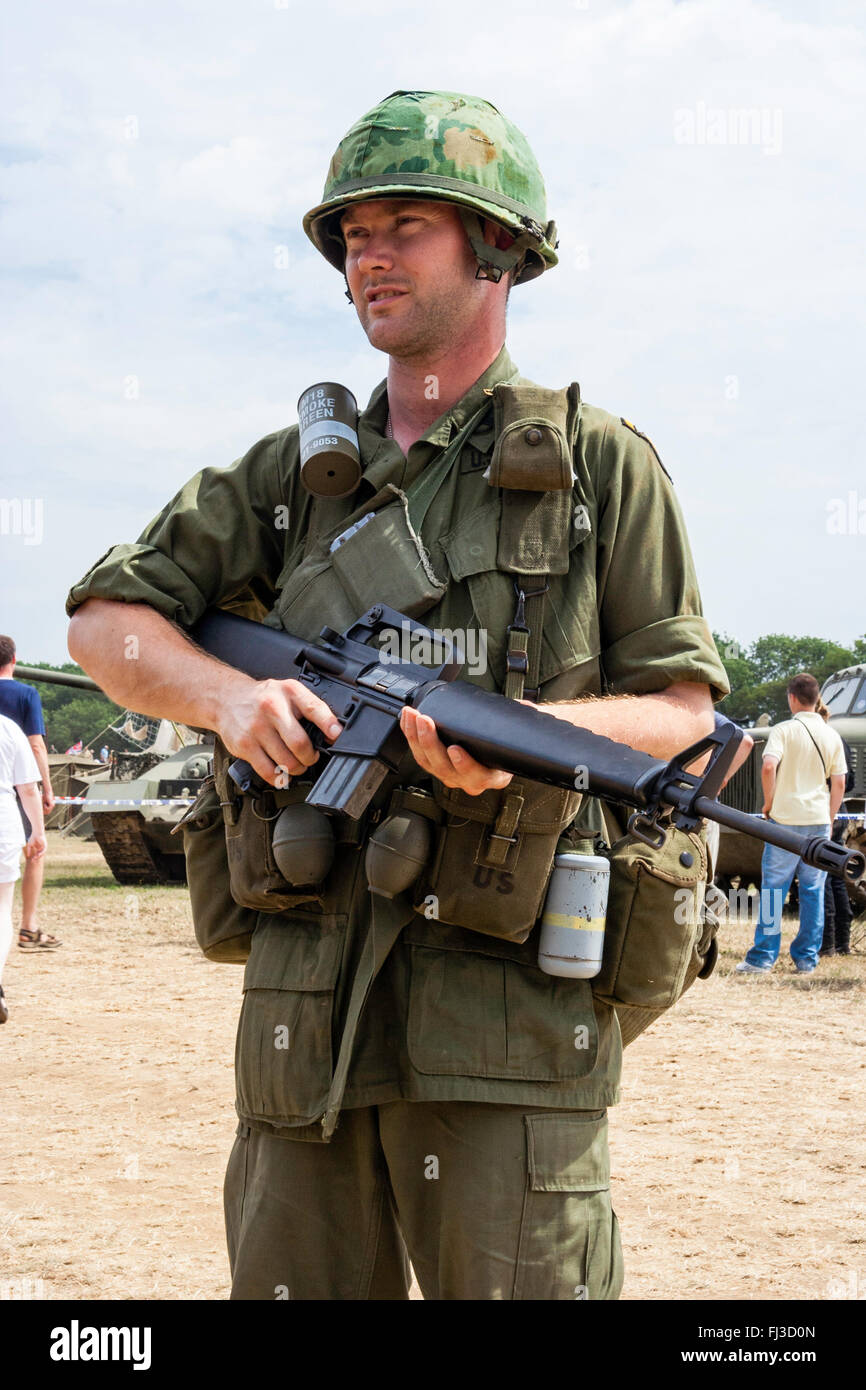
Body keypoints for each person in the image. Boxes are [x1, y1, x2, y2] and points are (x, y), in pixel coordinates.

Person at [66, 89, 729, 1300]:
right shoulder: (286, 482)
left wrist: (526, 746)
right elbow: (107, 626)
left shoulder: (601, 470)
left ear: (498, 250)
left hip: (508, 1028)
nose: (366, 253)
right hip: (307, 1023)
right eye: (350, 232)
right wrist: (226, 702)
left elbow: (683, 721)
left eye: (405, 223)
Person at [736, 674, 847, 976]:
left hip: (784, 821)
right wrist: (831, 814)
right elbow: (839, 782)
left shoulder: (783, 730)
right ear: (815, 699)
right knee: (813, 891)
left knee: (774, 891)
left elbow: (769, 765)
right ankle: (806, 960)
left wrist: (769, 802)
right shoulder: (831, 735)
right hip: (818, 823)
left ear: (792, 698)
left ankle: (762, 958)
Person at [0, 634, 59, 951]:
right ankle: (28, 926)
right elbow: (36, 744)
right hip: (15, 788)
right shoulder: (26, 694)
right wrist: (46, 787)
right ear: (14, 660)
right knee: (35, 852)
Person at [0, 713, 47, 1022]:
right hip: (3, 822)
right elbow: (28, 788)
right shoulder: (7, 727)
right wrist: (38, 831)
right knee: (2, 908)